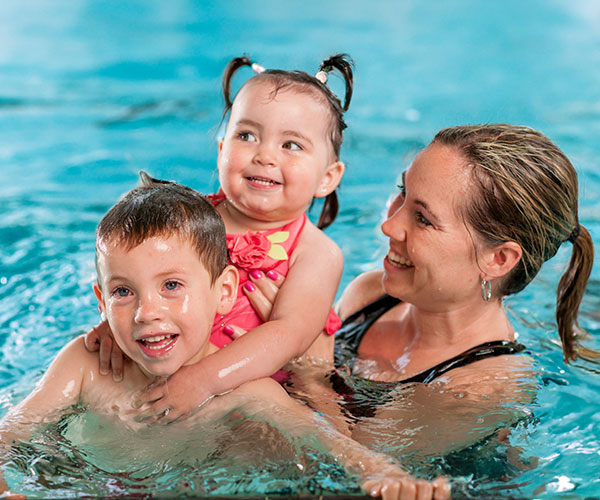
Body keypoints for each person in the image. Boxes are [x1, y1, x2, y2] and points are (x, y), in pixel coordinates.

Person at [0, 174, 450, 500]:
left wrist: (387, 476)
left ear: (224, 292)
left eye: (172, 286)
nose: (146, 312)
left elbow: (333, 446)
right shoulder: (84, 364)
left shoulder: (248, 390)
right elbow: (12, 432)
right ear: (100, 301)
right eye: (123, 292)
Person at [245, 123, 595, 456]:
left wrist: (310, 367)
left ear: (499, 259)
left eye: (423, 218)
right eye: (402, 192)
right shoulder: (371, 294)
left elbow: (355, 471)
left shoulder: (481, 391)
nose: (389, 225)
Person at [85, 54, 355, 419]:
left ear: (328, 176)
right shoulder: (187, 221)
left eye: (291, 145)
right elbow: (131, 271)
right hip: (164, 367)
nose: (264, 155)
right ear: (221, 149)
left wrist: (203, 381)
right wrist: (112, 326)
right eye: (246, 135)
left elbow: (291, 332)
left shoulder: (316, 253)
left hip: (257, 393)